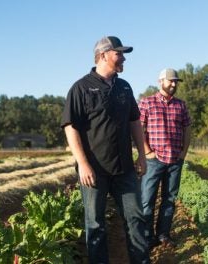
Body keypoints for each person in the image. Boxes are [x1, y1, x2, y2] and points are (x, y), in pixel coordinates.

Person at [61, 36, 150, 264]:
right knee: (95, 225)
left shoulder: (124, 86)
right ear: (103, 55)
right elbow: (71, 128)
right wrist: (83, 163)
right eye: (119, 53)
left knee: (136, 218)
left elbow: (134, 122)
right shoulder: (81, 88)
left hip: (124, 168)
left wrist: (141, 154)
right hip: (94, 171)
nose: (123, 58)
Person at [138, 68, 191, 249]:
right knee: (147, 200)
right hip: (154, 160)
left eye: (176, 81)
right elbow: (139, 129)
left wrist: (183, 153)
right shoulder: (147, 103)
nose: (174, 84)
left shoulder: (181, 105)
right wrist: (147, 152)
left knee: (169, 199)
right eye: (171, 81)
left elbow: (187, 129)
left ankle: (163, 235)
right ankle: (146, 237)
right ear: (161, 81)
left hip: (175, 160)